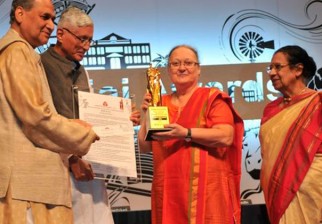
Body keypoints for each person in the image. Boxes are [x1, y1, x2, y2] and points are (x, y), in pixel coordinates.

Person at [0, 1, 99, 224]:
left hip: (30, 186)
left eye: (53, 19)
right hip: (27, 188)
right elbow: (35, 117)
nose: (51, 26)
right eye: (45, 17)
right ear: (19, 14)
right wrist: (81, 134)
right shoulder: (17, 51)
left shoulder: (23, 51)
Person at [41, 6, 140, 224]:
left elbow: (89, 115)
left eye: (90, 40)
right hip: (59, 166)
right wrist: (71, 158)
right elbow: (44, 122)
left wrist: (120, 120)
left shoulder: (81, 69)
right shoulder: (41, 67)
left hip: (89, 165)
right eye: (81, 39)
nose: (86, 46)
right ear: (61, 34)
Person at [138, 45, 244, 224]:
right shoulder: (160, 102)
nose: (182, 68)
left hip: (206, 189)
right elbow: (144, 146)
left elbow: (225, 136)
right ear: (168, 69)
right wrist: (146, 115)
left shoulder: (212, 98)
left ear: (198, 69)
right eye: (175, 63)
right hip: (170, 190)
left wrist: (186, 133)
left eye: (188, 63)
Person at [259, 45, 322, 224]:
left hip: (308, 190)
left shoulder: (317, 103)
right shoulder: (271, 109)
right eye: (270, 68)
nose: (271, 73)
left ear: (297, 70)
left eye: (278, 67)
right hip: (276, 192)